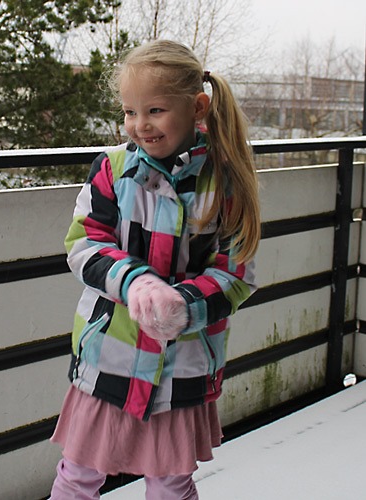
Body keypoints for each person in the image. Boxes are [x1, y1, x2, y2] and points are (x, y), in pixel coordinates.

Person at [49, 39, 260, 499]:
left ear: (197, 107)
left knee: (171, 482)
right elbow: (84, 243)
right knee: (79, 474)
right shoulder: (112, 169)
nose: (140, 125)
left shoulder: (225, 182)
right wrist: (135, 282)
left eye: (155, 111)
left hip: (182, 367)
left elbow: (236, 273)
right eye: (130, 112)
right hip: (110, 355)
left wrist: (182, 305)